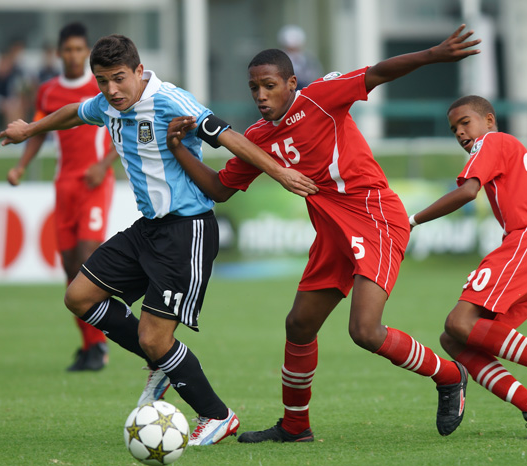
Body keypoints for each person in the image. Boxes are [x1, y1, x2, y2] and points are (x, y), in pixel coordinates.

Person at [165, 25, 481, 442]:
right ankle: (296, 428)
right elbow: (221, 189)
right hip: (332, 233)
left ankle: (448, 374)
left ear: (291, 84)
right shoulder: (258, 138)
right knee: (298, 325)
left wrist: (432, 54)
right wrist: (179, 152)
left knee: (365, 332)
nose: (260, 95)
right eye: (253, 87)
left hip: (374, 218)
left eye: (269, 85)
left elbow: (378, 72)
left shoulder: (321, 97)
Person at [0, 34, 317, 446]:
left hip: (187, 231)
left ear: (138, 70)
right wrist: (30, 129)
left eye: (118, 79)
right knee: (79, 296)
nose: (111, 90)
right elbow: (74, 113)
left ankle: (217, 416)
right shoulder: (107, 103)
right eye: (101, 81)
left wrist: (280, 172)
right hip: (147, 229)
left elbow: (229, 137)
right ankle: (162, 363)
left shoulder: (171, 100)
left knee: (154, 337)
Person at [408, 95, 527, 440]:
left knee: (459, 322)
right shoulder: (502, 145)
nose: (460, 133)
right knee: (455, 339)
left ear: (489, 120)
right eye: (453, 129)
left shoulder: (491, 140)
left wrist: (412, 220)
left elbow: (467, 192)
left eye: (465, 122)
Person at [6, 23, 118, 372]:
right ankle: (88, 346)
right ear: (59, 53)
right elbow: (40, 131)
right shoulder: (48, 91)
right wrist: (22, 165)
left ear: (86, 52)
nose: (73, 55)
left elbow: (122, 126)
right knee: (71, 270)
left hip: (95, 183)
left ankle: (101, 346)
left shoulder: (101, 86)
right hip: (64, 185)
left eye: (78, 49)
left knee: (88, 260)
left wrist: (103, 164)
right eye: (67, 49)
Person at [277, 24, 323, 89]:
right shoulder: (277, 61)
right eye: (290, 49)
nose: (293, 53)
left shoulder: (309, 61)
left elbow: (314, 78)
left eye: (295, 49)